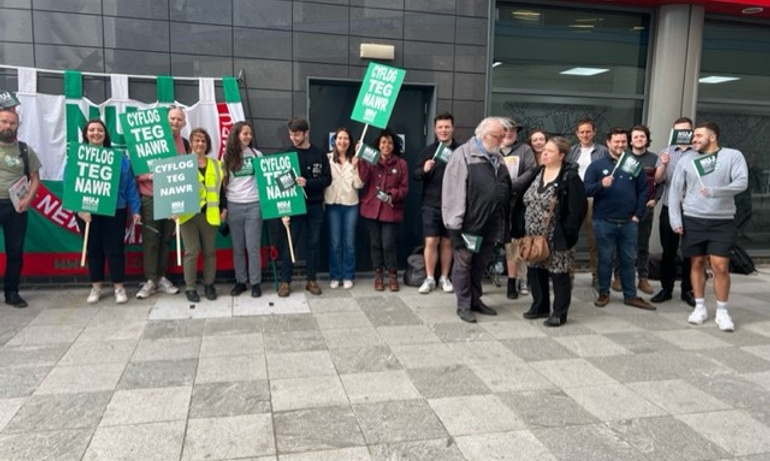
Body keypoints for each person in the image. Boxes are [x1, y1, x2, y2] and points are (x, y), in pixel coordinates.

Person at [669, 121, 748, 331]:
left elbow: (742, 182)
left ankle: (722, 311)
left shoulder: (732, 156)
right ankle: (700, 306)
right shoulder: (687, 160)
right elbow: (675, 190)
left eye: (698, 136)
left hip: (722, 220)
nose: (694, 140)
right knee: (696, 264)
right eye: (693, 136)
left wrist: (716, 191)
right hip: (693, 219)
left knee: (720, 266)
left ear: (712, 137)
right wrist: (675, 220)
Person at [442, 117, 512, 323]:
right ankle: (463, 304)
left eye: (502, 137)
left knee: (480, 264)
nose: (502, 140)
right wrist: (454, 226)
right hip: (469, 224)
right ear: (484, 135)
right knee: (464, 263)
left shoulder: (496, 156)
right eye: (498, 137)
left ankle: (475, 299)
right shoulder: (463, 155)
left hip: (490, 224)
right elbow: (453, 193)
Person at [517, 137, 586, 326]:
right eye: (544, 150)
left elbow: (577, 210)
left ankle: (559, 312)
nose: (544, 153)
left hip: (557, 235)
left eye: (550, 151)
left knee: (559, 273)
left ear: (561, 155)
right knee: (535, 270)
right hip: (532, 235)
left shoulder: (569, 177)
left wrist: (568, 235)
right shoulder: (537, 172)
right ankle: (540, 305)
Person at [585, 128, 654, 311]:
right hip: (603, 220)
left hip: (628, 222)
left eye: (623, 141)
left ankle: (630, 295)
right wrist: (601, 184)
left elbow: (643, 191)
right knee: (605, 259)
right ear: (608, 142)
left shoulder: (633, 164)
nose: (620, 145)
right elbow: (585, 190)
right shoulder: (596, 166)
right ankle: (603, 293)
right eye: (617, 141)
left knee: (629, 260)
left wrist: (637, 215)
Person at [75, 120, 141, 305]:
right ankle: (96, 287)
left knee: (115, 249)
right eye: (92, 130)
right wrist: (79, 209)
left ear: (105, 134)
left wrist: (135, 209)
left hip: (115, 210)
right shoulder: (77, 156)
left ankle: (119, 287)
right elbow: (70, 183)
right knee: (93, 249)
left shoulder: (119, 158)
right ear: (86, 134)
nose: (96, 133)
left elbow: (129, 186)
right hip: (87, 211)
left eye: (100, 130)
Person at [135, 106, 187, 299]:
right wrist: (151, 175)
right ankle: (150, 280)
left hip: (173, 196)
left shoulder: (185, 143)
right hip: (150, 197)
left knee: (166, 238)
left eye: (179, 119)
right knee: (150, 240)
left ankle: (162, 277)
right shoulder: (149, 141)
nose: (175, 122)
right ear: (165, 120)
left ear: (184, 123)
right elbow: (137, 171)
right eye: (172, 118)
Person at [278, 118, 331, 297]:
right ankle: (285, 281)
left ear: (306, 133)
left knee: (313, 243)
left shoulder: (319, 153)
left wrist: (308, 182)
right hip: (293, 205)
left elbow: (327, 179)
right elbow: (278, 183)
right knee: (290, 242)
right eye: (291, 134)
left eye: (297, 134)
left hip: (315, 205)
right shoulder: (286, 154)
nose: (293, 138)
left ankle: (311, 280)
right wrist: (282, 210)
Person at [652, 117, 697, 307]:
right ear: (674, 132)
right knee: (668, 251)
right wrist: (662, 164)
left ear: (691, 132)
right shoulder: (666, 152)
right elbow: (657, 180)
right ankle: (667, 288)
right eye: (679, 130)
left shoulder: (699, 153)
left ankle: (688, 289)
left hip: (693, 209)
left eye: (686, 130)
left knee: (690, 251)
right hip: (669, 208)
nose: (682, 134)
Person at [412, 113, 459, 295]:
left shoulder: (460, 151)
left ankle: (444, 277)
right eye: (440, 127)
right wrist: (423, 169)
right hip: (430, 203)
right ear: (435, 129)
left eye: (447, 127)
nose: (443, 130)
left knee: (448, 242)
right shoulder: (428, 150)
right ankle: (430, 277)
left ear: (452, 128)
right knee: (431, 241)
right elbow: (415, 175)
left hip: (453, 204)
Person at [611, 124, 661, 294]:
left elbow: (661, 182)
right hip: (625, 208)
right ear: (630, 141)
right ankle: (618, 276)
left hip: (646, 207)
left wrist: (656, 199)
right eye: (636, 137)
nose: (639, 139)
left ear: (647, 139)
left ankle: (643, 279)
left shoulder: (655, 158)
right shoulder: (624, 158)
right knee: (621, 243)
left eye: (642, 136)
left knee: (642, 245)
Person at [178, 128, 225, 303]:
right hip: (188, 215)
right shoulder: (181, 163)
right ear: (191, 143)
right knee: (191, 252)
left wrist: (224, 208)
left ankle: (209, 285)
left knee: (210, 252)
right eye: (197, 140)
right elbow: (172, 189)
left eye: (203, 141)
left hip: (210, 214)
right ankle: (190, 288)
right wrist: (171, 208)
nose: (200, 144)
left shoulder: (217, 164)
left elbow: (222, 189)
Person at [0, 108, 41, 308]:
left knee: (15, 251)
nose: (8, 126)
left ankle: (12, 292)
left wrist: (29, 199)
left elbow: (35, 179)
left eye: (12, 123)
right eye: (4, 121)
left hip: (15, 206)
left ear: (17, 126)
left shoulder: (25, 150)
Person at [359, 128, 409, 291]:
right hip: (371, 207)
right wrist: (360, 160)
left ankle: (393, 275)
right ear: (378, 145)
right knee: (375, 244)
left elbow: (404, 188)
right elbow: (363, 178)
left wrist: (392, 194)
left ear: (394, 145)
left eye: (389, 142)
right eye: (383, 142)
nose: (386, 145)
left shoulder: (401, 164)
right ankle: (378, 275)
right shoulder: (371, 159)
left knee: (388, 244)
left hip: (390, 209)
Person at [566, 118, 609, 287]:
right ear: (577, 133)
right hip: (574, 197)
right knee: (571, 237)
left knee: (594, 239)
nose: (585, 134)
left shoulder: (603, 151)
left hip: (594, 198)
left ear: (594, 132)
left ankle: (596, 274)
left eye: (588, 131)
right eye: (582, 132)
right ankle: (568, 273)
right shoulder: (571, 151)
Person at [222, 122, 264, 298]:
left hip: (254, 204)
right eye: (245, 133)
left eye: (250, 134)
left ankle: (255, 283)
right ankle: (241, 281)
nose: (248, 136)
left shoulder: (257, 155)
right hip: (234, 205)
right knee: (237, 247)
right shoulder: (226, 156)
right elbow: (223, 183)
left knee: (253, 247)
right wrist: (224, 207)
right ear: (236, 135)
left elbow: (264, 180)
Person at [500, 118, 537, 299]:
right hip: (497, 203)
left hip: (519, 203)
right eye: (506, 130)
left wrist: (513, 185)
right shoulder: (492, 149)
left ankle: (517, 280)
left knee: (517, 242)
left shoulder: (525, 150)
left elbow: (531, 171)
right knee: (504, 242)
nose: (509, 134)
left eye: (513, 131)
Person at [325, 127, 363, 289]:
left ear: (350, 141)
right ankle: (335, 275)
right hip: (332, 204)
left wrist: (355, 167)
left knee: (349, 243)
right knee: (335, 243)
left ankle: (348, 275)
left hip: (350, 205)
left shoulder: (355, 160)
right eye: (340, 138)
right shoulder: (327, 159)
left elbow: (359, 184)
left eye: (346, 138)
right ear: (335, 141)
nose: (342, 141)